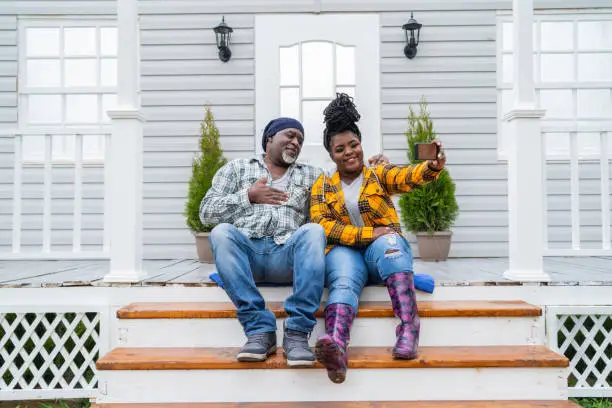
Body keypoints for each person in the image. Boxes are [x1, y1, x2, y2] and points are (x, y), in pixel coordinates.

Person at [199, 117, 387, 367]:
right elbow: (206, 212)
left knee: (313, 231)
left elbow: (346, 199)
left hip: (288, 256)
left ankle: (297, 333)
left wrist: (373, 173)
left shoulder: (312, 175)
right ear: (269, 139)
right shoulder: (237, 169)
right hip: (248, 255)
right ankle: (259, 330)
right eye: (289, 135)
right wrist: (248, 197)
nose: (295, 142)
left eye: (299, 138)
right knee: (221, 232)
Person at [309, 93, 446, 383]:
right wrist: (369, 233)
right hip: (344, 253)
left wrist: (432, 166)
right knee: (344, 278)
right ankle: (336, 348)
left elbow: (407, 176)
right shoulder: (322, 185)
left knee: (392, 243)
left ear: (362, 145)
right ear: (331, 154)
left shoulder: (377, 174)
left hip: (381, 253)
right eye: (340, 149)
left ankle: (409, 329)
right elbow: (323, 226)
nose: (349, 152)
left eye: (354, 145)